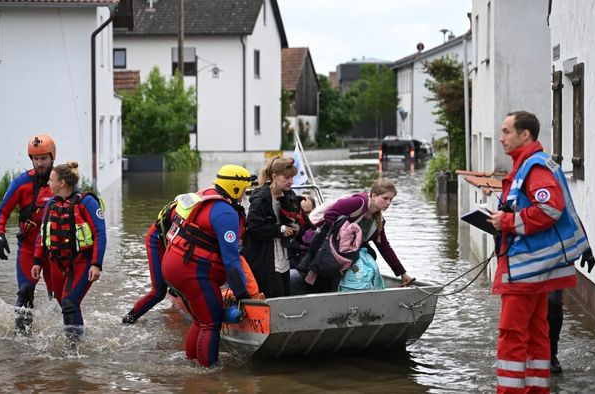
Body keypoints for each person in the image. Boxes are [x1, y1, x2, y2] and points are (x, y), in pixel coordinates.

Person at [488, 111, 590, 393]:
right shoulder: (533, 164)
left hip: (524, 269)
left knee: (511, 335)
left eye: (506, 131)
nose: (501, 138)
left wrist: (506, 221)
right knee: (536, 333)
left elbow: (550, 208)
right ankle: (536, 389)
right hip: (535, 268)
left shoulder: (534, 167)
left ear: (525, 135)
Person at [160, 164, 254, 367]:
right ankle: (208, 375)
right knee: (211, 322)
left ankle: (191, 363)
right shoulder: (226, 214)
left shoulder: (202, 197)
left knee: (200, 319)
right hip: (193, 271)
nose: (245, 194)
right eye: (245, 190)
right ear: (235, 188)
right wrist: (242, 294)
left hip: (174, 263)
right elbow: (231, 261)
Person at [31, 161, 106, 343]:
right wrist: (37, 261)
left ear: (62, 183)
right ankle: (73, 340)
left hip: (82, 262)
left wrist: (96, 265)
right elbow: (43, 234)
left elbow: (100, 234)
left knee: (70, 303)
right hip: (57, 263)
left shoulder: (87, 202)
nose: (48, 183)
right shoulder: (50, 205)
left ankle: (75, 349)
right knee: (64, 304)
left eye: (51, 180)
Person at [0, 134, 56, 333]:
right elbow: (2, 212)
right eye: (35, 159)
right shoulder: (21, 183)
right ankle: (22, 343)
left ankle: (63, 338)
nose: (39, 163)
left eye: (43, 158)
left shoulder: (61, 181)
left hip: (55, 250)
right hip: (29, 248)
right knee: (25, 293)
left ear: (52, 157)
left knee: (60, 298)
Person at [305, 178, 414, 293]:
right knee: (321, 286)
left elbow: (385, 248)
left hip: (345, 256)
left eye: (391, 200)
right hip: (326, 248)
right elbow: (329, 215)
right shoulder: (358, 202)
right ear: (374, 196)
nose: (388, 203)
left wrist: (402, 273)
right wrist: (345, 234)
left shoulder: (378, 222)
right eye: (385, 198)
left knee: (369, 258)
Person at [244, 157, 300, 298]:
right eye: (287, 177)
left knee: (285, 295)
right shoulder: (261, 199)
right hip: (266, 258)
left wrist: (296, 227)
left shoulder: (289, 195)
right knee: (275, 297)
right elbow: (253, 228)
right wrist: (280, 229)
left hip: (284, 257)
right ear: (274, 176)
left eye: (292, 177)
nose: (291, 182)